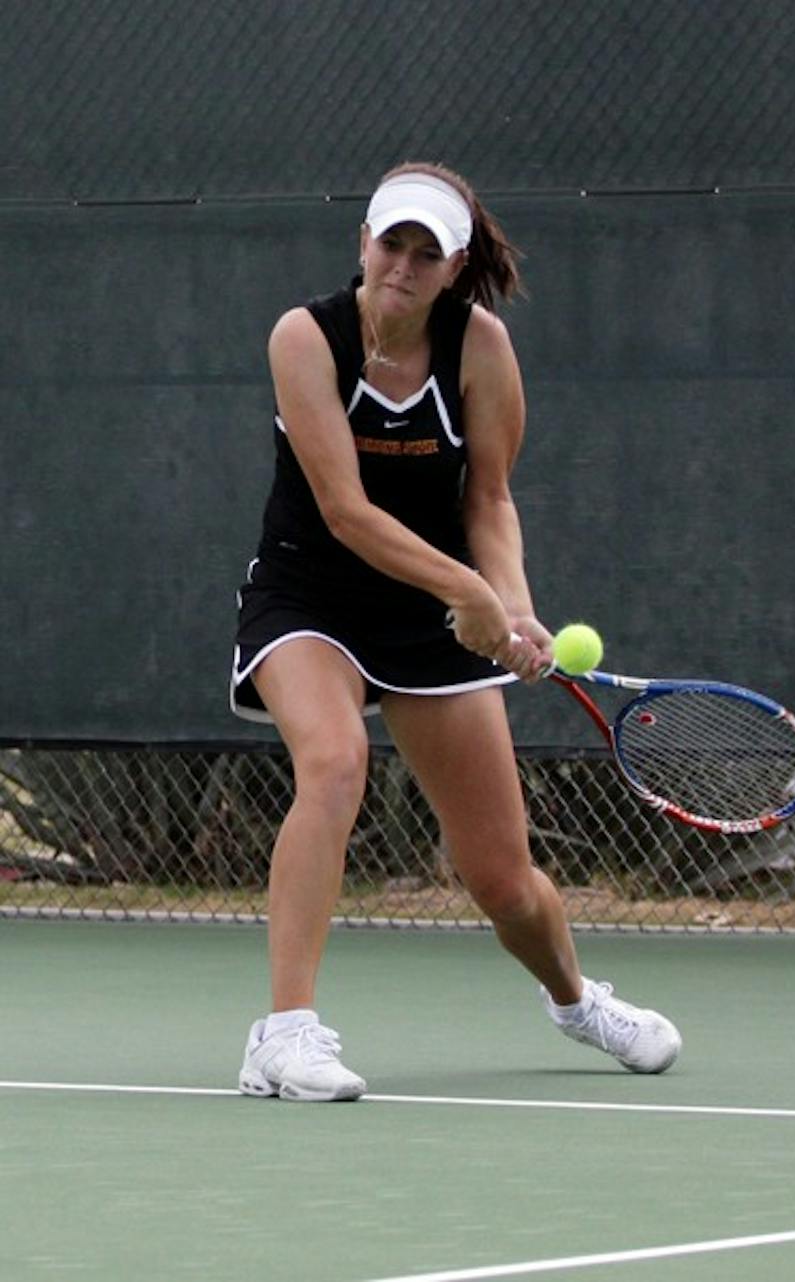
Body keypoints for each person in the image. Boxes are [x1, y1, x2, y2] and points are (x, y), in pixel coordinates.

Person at [230, 161, 682, 1101]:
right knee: (335, 761)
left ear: (454, 264)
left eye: (424, 250)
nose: (402, 263)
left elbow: (490, 498)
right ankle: (284, 1034)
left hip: (427, 614)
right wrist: (470, 592)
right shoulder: (305, 339)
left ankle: (575, 1001)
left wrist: (509, 604)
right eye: (389, 242)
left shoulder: (479, 346)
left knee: (503, 880)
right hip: (307, 599)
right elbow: (346, 512)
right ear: (363, 244)